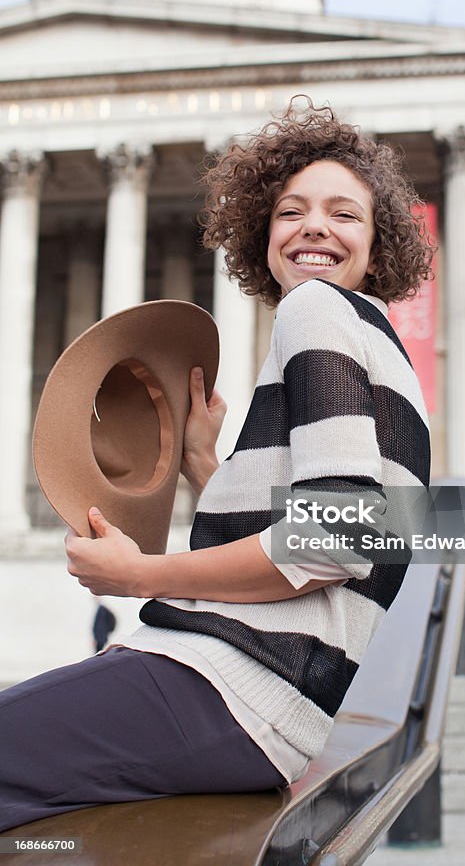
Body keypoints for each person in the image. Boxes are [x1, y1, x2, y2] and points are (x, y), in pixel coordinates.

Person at [0, 100, 434, 832]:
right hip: (268, 711)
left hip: (229, 689)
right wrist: (209, 466)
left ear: (379, 242)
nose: (313, 227)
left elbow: (337, 539)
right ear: (261, 235)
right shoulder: (382, 350)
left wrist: (139, 575)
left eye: (343, 214)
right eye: (290, 212)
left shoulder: (315, 310)